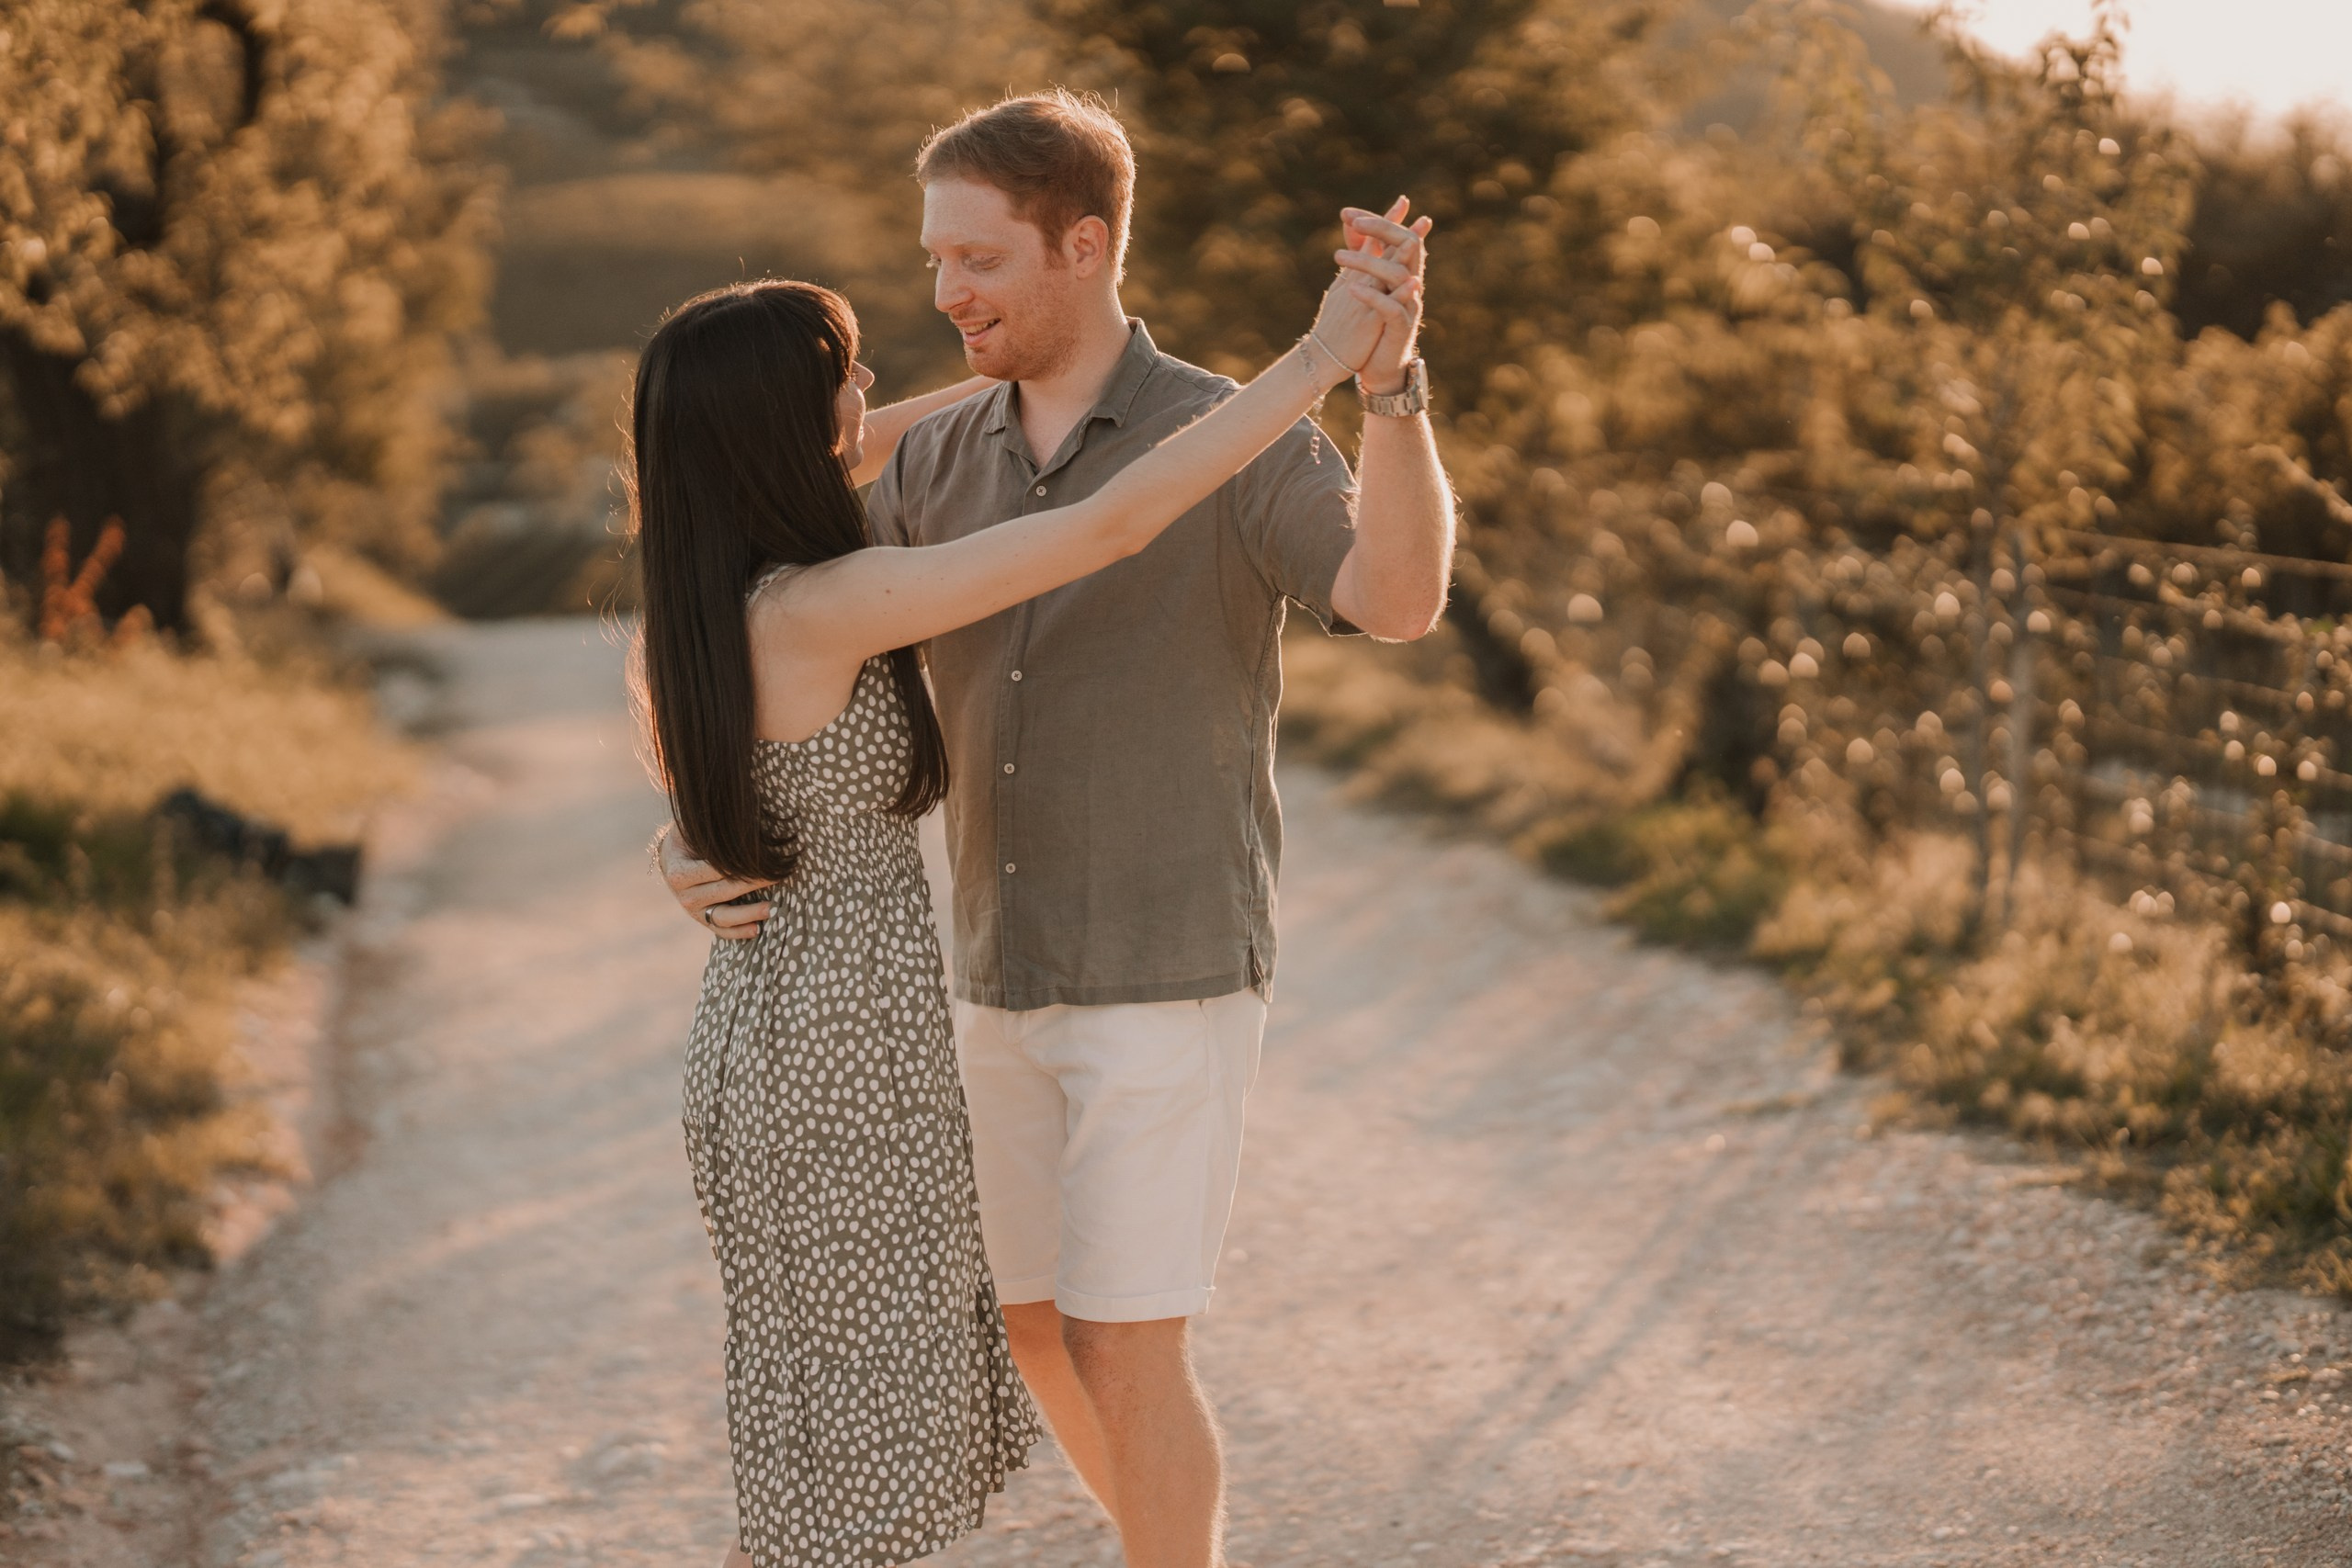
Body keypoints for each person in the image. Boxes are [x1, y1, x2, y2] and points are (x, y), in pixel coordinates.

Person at [631, 220, 1413, 1567]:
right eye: (853, 375)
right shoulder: (832, 600)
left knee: (829, 1427)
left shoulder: (699, 605)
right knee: (868, 1458)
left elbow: (854, 460)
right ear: (792, 424)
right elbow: (1112, 522)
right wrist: (1322, 359)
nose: (874, 398)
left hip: (769, 1046)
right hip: (842, 1066)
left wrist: (1069, 371)